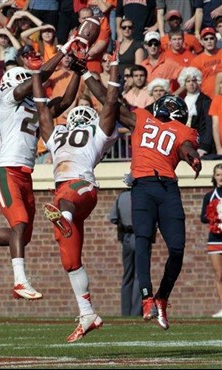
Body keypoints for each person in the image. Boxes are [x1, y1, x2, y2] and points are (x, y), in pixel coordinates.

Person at [0, 39, 84, 300]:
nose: (33, 85)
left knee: (21, 235)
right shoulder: (5, 98)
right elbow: (36, 80)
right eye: (29, 80)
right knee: (19, 224)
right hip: (6, 171)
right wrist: (62, 52)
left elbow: (63, 102)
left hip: (25, 175)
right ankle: (20, 281)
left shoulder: (34, 105)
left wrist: (78, 71)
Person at [82, 69, 202, 329]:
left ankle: (162, 297)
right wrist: (86, 75)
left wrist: (192, 156)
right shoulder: (141, 118)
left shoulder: (183, 130)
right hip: (144, 185)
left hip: (168, 188)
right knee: (142, 240)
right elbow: (109, 101)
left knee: (178, 248)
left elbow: (185, 146)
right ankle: (147, 297)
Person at [31, 52, 119, 342]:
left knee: (63, 201)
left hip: (81, 188)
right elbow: (108, 104)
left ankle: (63, 218)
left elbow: (44, 110)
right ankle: (88, 313)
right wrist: (111, 70)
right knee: (70, 260)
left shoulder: (93, 135)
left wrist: (36, 77)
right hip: (67, 196)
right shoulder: (63, 135)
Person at [109, 189, 142, 316]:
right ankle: (136, 312)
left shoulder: (121, 196)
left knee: (127, 276)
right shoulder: (144, 195)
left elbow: (113, 218)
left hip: (126, 238)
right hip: (140, 237)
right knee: (140, 275)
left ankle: (125, 311)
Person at [200, 163, 222, 318]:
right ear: (214, 177)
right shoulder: (210, 196)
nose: (221, 178)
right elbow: (203, 217)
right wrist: (214, 216)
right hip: (215, 239)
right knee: (219, 274)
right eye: (218, 174)